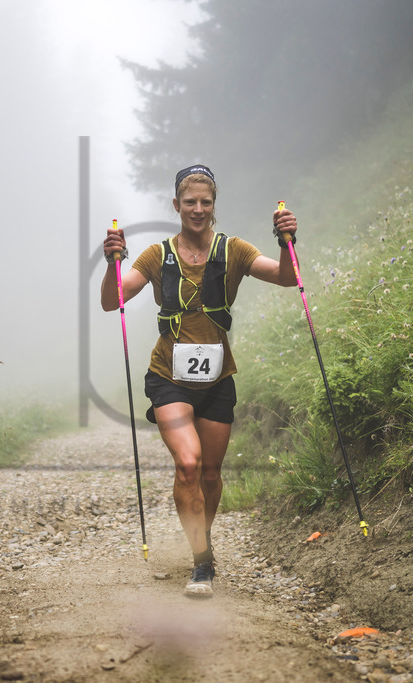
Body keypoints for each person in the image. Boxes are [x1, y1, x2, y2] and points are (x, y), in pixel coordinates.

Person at [101, 164, 298, 597]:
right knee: (187, 464)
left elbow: (287, 278)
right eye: (189, 202)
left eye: (205, 202)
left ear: (213, 206)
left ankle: (201, 545)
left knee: (210, 475)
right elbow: (111, 299)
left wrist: (287, 241)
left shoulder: (235, 251)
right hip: (167, 377)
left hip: (217, 379)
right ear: (176, 206)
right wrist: (111, 261)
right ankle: (201, 562)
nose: (197, 209)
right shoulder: (157, 255)